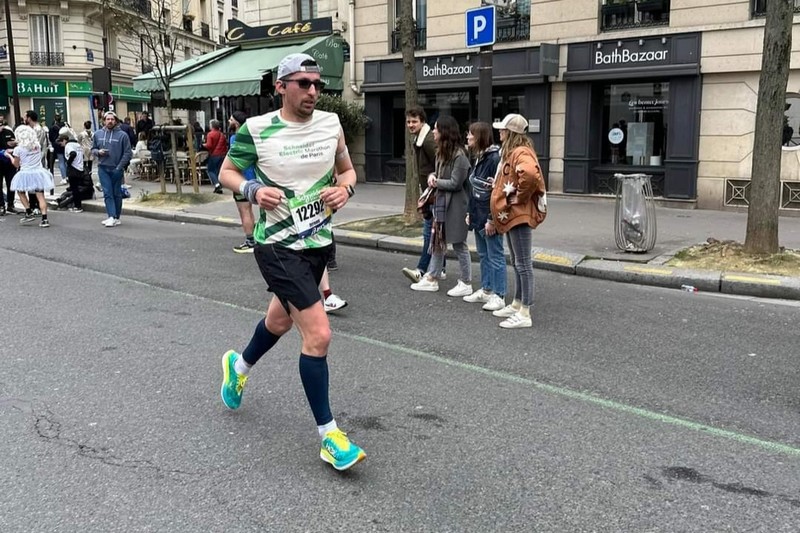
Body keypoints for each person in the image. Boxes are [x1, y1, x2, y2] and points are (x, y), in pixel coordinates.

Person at [218, 52, 365, 471]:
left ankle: (238, 365)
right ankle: (329, 436)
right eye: (303, 83)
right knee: (318, 335)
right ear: (281, 87)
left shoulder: (331, 124)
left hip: (317, 241)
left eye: (317, 84)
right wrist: (251, 190)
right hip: (277, 246)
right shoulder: (257, 129)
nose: (313, 91)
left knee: (280, 322)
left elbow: (348, 172)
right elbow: (227, 170)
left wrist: (345, 191)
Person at [489, 113, 547, 329]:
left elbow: (531, 175)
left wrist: (520, 197)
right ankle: (517, 304)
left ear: (510, 132)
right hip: (514, 213)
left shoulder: (520, 152)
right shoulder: (514, 152)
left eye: (503, 129)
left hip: (518, 214)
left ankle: (525, 312)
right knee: (518, 261)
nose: (499, 132)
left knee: (523, 264)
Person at [410, 115, 472, 296]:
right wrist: (432, 176)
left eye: (436, 128)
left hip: (456, 206)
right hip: (442, 203)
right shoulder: (441, 153)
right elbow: (438, 174)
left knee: (460, 244)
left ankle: (466, 281)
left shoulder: (460, 156)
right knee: (437, 241)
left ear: (444, 132)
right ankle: (432, 277)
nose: (433, 131)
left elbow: (456, 183)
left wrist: (436, 182)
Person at [462, 122, 506, 312]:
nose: (468, 137)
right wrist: (470, 213)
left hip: (488, 216)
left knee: (495, 255)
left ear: (479, 136)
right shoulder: (480, 157)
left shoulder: (493, 159)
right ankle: (487, 289)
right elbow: (475, 189)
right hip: (478, 214)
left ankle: (499, 294)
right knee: (483, 254)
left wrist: (491, 219)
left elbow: (497, 193)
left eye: (470, 134)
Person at [401, 105, 445, 283]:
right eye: (408, 122)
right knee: (436, 234)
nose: (410, 125)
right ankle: (440, 268)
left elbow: (441, 163)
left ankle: (421, 269)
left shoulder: (427, 141)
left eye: (414, 121)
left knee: (429, 233)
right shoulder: (421, 138)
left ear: (422, 122)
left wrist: (434, 179)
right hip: (431, 193)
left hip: (434, 194)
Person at [8, 125, 54, 227]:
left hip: (25, 173)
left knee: (20, 191)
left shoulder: (18, 149)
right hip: (38, 172)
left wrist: (9, 155)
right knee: (40, 196)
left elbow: (16, 164)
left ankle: (28, 211)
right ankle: (44, 219)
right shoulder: (37, 145)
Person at [91, 111, 132, 227]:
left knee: (116, 193)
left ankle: (116, 217)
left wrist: (120, 167)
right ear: (104, 121)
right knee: (107, 192)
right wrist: (98, 152)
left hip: (116, 168)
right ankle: (111, 216)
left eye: (112, 119)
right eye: (107, 119)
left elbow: (128, 153)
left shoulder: (123, 135)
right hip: (103, 167)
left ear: (116, 121)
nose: (110, 121)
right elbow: (93, 148)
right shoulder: (97, 134)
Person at [227, 111, 256, 253]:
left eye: (231, 119)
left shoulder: (234, 139)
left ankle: (250, 241)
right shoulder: (250, 137)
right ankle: (255, 239)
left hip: (239, 179)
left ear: (237, 123)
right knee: (249, 210)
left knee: (244, 211)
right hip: (253, 177)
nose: (228, 121)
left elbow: (232, 161)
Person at [56, 132, 87, 213]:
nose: (60, 144)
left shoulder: (68, 146)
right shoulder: (77, 145)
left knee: (74, 189)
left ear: (64, 140)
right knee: (76, 188)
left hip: (73, 169)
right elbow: (82, 155)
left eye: (60, 142)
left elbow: (73, 153)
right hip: (80, 168)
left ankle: (78, 206)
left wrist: (68, 163)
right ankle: (78, 205)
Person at [201, 119, 227, 194]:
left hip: (214, 155)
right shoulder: (222, 134)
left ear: (212, 126)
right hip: (222, 155)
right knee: (218, 171)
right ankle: (219, 183)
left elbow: (209, 145)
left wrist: (203, 145)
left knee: (210, 170)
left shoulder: (210, 134)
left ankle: (217, 185)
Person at [0, 116, 17, 215]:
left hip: (9, 161)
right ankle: (1, 205)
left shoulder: (8, 131)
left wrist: (13, 144)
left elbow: (14, 142)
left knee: (11, 183)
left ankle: (10, 204)